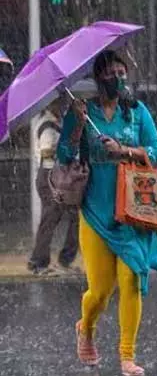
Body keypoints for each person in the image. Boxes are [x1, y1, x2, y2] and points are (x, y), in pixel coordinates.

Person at [57, 50, 157, 376]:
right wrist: (75, 127)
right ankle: (86, 327)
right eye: (110, 73)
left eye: (122, 71)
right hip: (95, 212)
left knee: (132, 277)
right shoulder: (83, 112)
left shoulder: (136, 113)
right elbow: (65, 154)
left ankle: (127, 356)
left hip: (132, 211)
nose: (117, 77)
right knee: (101, 293)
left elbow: (156, 151)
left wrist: (126, 151)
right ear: (98, 77)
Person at [27, 97, 80, 275]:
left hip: (60, 177)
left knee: (75, 216)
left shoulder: (60, 121)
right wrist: (64, 148)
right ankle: (38, 262)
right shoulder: (47, 124)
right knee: (50, 219)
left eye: (64, 103)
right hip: (49, 177)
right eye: (59, 103)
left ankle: (65, 259)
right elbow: (46, 151)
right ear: (50, 104)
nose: (63, 106)